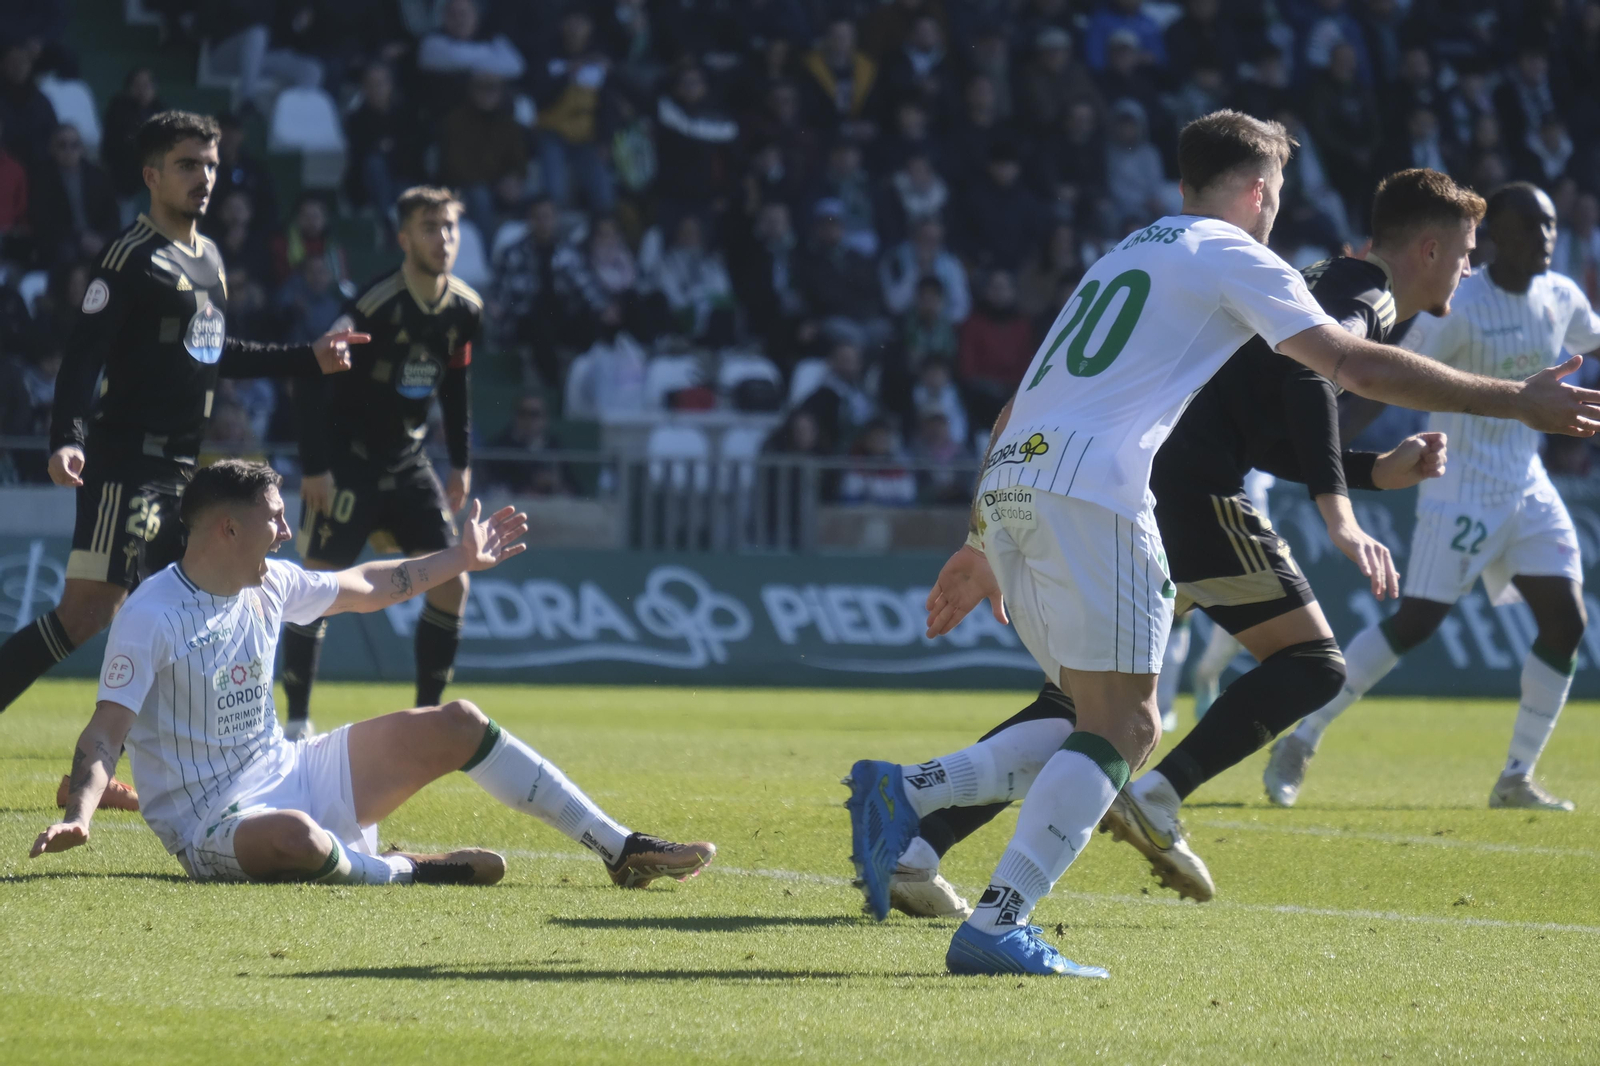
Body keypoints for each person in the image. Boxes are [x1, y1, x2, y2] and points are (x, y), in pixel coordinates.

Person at [842, 111, 1600, 978]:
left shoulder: (1122, 254)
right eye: (1277, 196)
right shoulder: (1240, 255)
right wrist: (1515, 402)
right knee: (1126, 724)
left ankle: (913, 800)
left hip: (1019, 479)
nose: (1278, 214)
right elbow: (1348, 366)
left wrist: (981, 537)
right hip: (1097, 490)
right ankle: (997, 919)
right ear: (1258, 191)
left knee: (1087, 713)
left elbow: (1017, 405)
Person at [30, 459, 715, 888]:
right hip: (212, 820)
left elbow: (367, 583)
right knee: (296, 836)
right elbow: (103, 733)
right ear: (227, 532)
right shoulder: (151, 613)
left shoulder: (268, 583)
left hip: (291, 767)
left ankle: (619, 847)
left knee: (460, 722)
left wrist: (459, 559)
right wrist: (79, 816)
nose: (287, 532)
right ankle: (413, 870)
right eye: (275, 519)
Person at [0, 111, 364, 796]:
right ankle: (98, 766)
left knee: (172, 615)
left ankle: (101, 768)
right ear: (152, 175)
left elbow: (213, 352)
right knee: (84, 615)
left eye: (211, 165)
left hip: (177, 471)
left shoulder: (208, 259)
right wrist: (66, 439)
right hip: (123, 466)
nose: (204, 178)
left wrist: (305, 359)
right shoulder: (131, 257)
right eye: (188, 164)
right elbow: (84, 354)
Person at [1270, 182, 1600, 813]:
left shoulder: (1563, 297)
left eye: (1553, 226)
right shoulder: (1459, 306)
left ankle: (1516, 777)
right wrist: (1322, 448)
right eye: (1531, 227)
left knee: (1568, 620)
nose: (1547, 239)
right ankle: (1303, 735)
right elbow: (1381, 381)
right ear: (1495, 236)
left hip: (1529, 488)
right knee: (1417, 624)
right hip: (1460, 490)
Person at [284, 187, 481, 741]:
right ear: (403, 238)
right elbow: (311, 379)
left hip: (407, 460)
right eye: (429, 228)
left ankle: (424, 719)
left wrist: (461, 463)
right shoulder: (375, 305)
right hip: (347, 464)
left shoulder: (465, 308)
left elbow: (458, 386)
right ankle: (297, 722)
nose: (442, 239)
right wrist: (317, 466)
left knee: (452, 583)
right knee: (315, 588)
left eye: (449, 227)